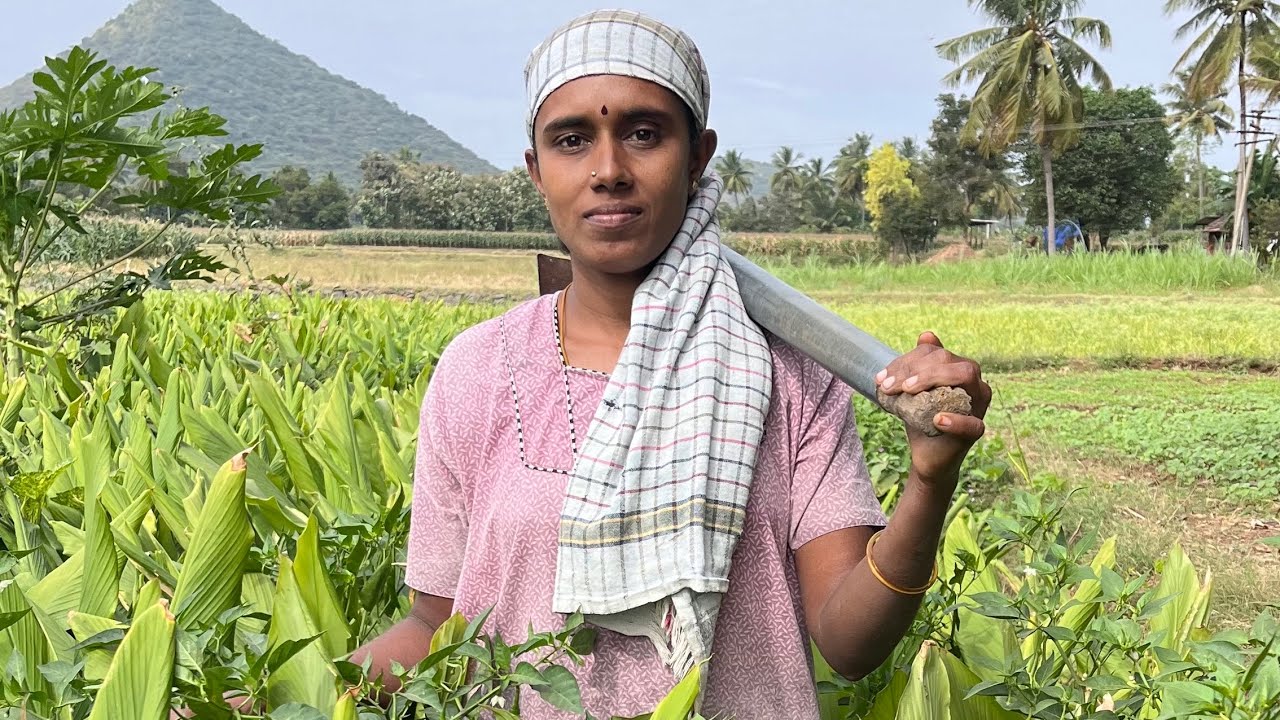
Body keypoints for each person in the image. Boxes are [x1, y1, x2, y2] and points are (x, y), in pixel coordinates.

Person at [351, 9, 991, 719]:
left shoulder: (790, 375)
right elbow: (434, 625)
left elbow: (848, 642)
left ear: (697, 157)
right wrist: (292, 692)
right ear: (536, 170)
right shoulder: (476, 372)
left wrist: (930, 482)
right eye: (572, 140)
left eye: (644, 134)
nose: (608, 171)